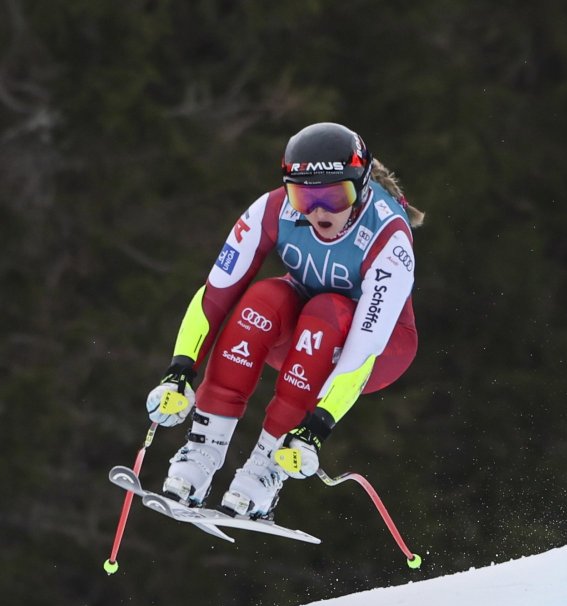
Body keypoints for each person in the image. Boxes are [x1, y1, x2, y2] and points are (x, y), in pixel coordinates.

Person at [143, 122, 425, 519]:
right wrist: (179, 370)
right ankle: (202, 453)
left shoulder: (388, 235)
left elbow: (365, 347)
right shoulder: (273, 209)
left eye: (333, 195)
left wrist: (316, 427)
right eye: (304, 197)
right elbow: (215, 294)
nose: (319, 212)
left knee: (327, 311)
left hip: (377, 352)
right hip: (302, 339)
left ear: (361, 188)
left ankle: (266, 470)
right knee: (262, 298)